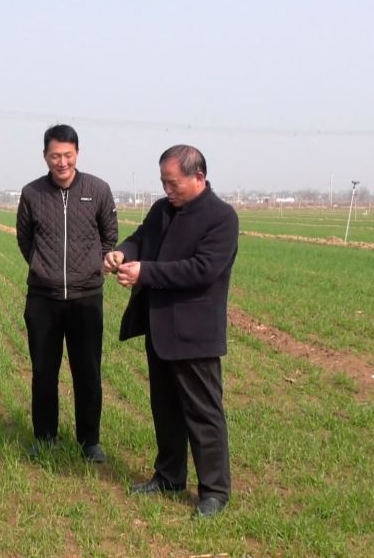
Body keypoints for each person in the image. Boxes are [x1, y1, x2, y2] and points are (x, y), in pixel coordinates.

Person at [103, 144, 238, 518]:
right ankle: (168, 476)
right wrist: (123, 253)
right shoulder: (162, 210)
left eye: (173, 182)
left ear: (199, 177)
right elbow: (140, 238)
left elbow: (202, 270)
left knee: (203, 415)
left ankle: (214, 492)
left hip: (195, 335)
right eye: (163, 182)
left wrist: (145, 272)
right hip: (159, 328)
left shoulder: (221, 218)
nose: (167, 189)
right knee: (164, 409)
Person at [16, 124, 118, 462]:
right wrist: (42, 267)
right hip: (42, 299)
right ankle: (45, 437)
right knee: (44, 371)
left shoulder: (97, 190)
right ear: (45, 156)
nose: (62, 162)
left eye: (68, 155)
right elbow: (24, 238)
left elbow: (109, 234)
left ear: (77, 153)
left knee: (87, 371)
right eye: (55, 156)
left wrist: (91, 267)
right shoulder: (32, 193)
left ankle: (90, 440)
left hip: (86, 297)